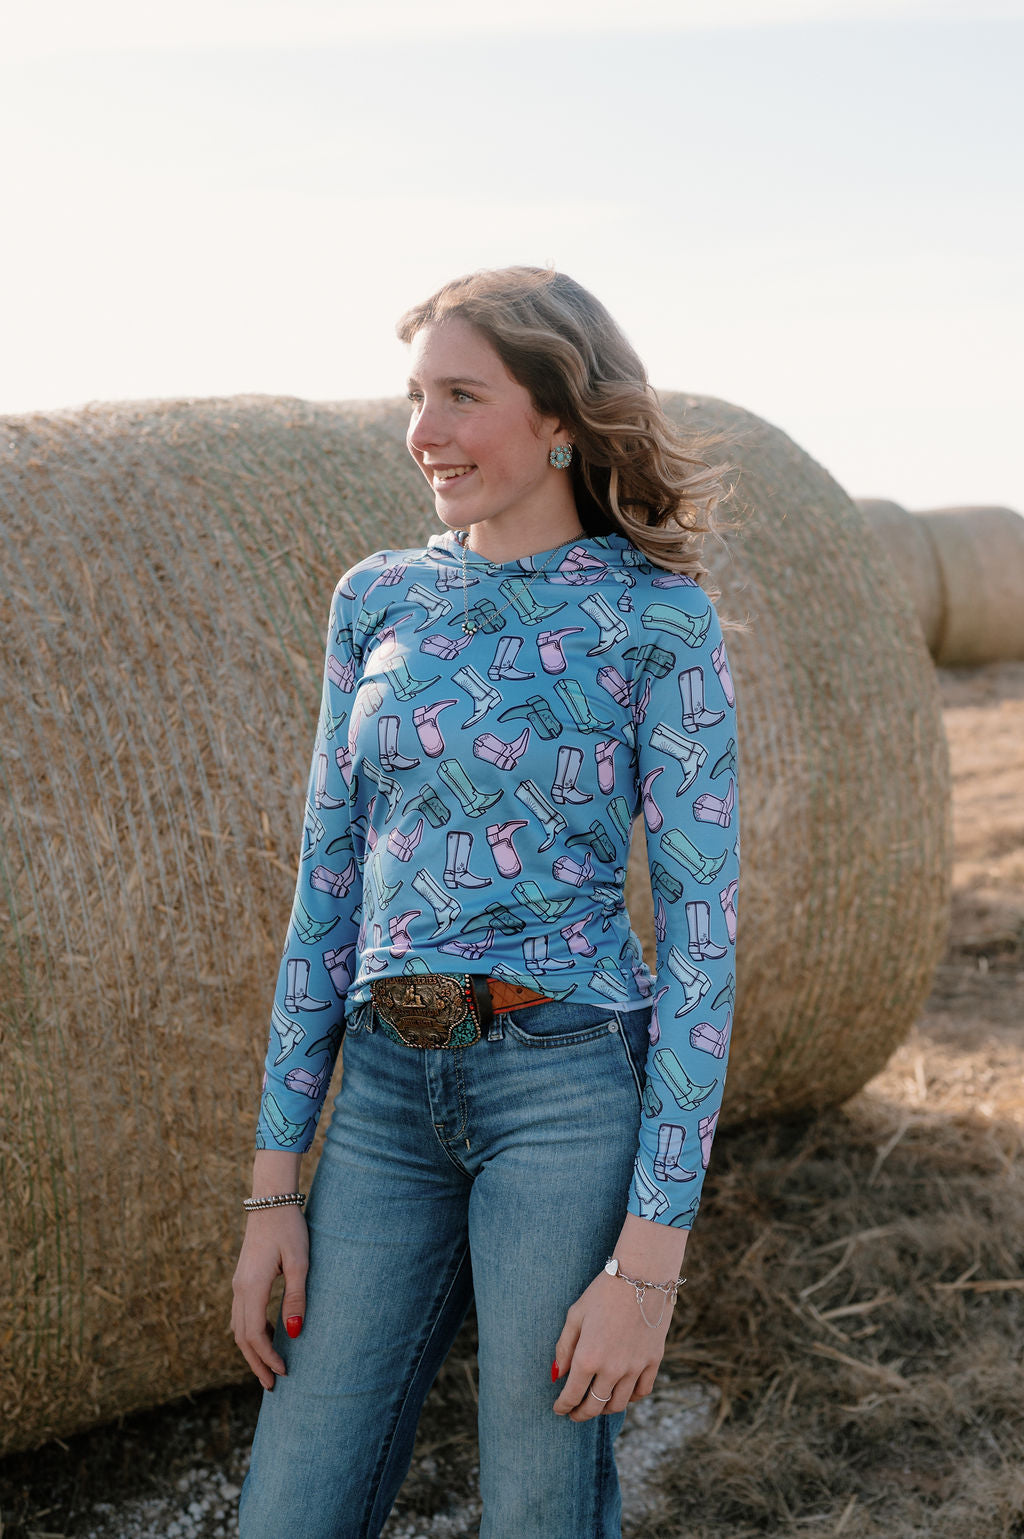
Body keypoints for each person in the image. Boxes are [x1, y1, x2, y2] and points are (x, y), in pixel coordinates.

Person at [232, 266, 740, 1539]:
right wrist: (271, 1191)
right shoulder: (379, 597)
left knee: (535, 1506)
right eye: (416, 397)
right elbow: (326, 887)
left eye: (461, 396)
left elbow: (700, 946)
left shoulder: (656, 621)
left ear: (559, 418)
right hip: (384, 1100)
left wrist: (648, 1265)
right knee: (290, 1502)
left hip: (562, 1098)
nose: (425, 433)